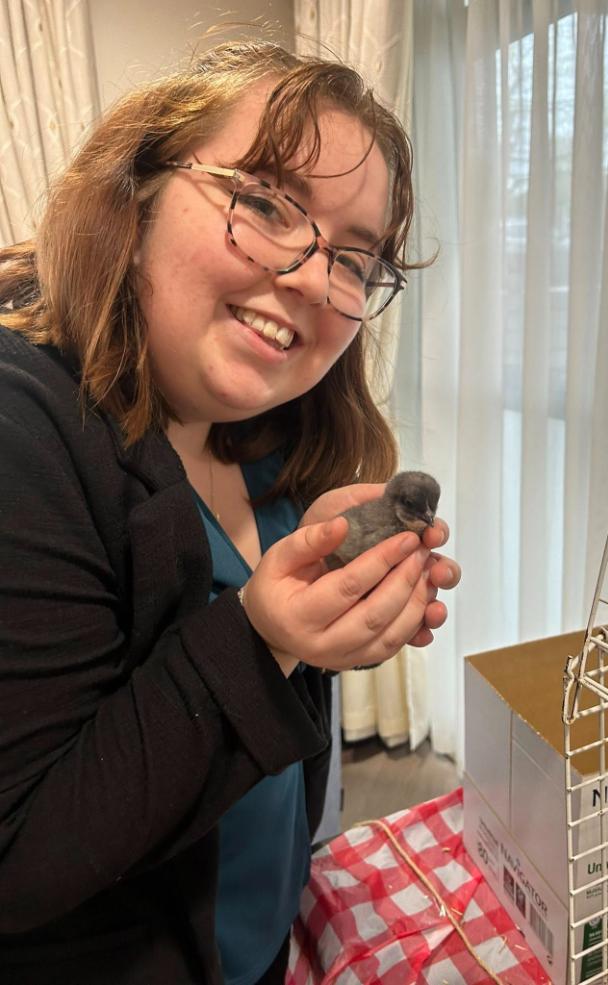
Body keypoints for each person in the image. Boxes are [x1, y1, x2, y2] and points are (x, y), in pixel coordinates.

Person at [0, 38, 461, 985]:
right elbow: (22, 857)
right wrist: (262, 640)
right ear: (136, 191)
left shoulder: (271, 439)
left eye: (352, 259)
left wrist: (332, 594)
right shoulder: (22, 427)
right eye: (263, 203)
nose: (306, 276)